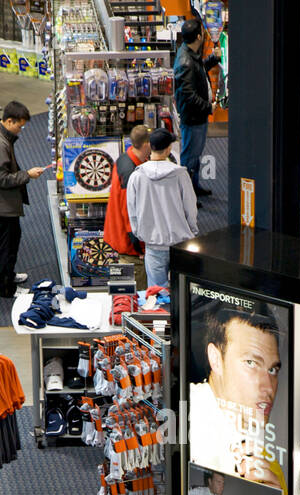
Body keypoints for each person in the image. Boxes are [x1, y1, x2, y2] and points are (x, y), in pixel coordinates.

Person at [188, 307, 285, 491]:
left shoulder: (265, 459)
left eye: (272, 370)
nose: (268, 387)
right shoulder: (189, 418)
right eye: (251, 363)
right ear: (215, 359)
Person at [0, 101, 45, 298]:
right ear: (9, 121)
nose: (21, 130)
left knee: (11, 239)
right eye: (19, 126)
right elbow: (1, 178)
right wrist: (28, 175)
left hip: (1, 202)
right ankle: (5, 288)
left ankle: (8, 275)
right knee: (6, 246)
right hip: (3, 204)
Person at [126, 128, 197, 291]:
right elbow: (190, 207)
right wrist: (192, 231)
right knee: (182, 294)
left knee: (157, 296)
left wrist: (140, 234)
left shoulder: (136, 176)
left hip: (153, 245)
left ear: (150, 147)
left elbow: (133, 211)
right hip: (181, 244)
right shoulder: (180, 175)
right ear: (168, 149)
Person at [174, 18, 219, 199]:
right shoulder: (186, 61)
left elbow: (199, 70)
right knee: (190, 157)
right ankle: (186, 195)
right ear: (199, 36)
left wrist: (213, 59)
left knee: (195, 155)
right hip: (193, 118)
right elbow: (188, 96)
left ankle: (193, 188)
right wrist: (209, 107)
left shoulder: (189, 53)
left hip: (196, 117)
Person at [104, 124, 151, 285]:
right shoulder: (131, 174)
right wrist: (140, 247)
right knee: (137, 296)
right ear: (145, 144)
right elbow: (129, 214)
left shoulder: (125, 158)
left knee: (124, 291)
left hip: (120, 239)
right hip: (130, 248)